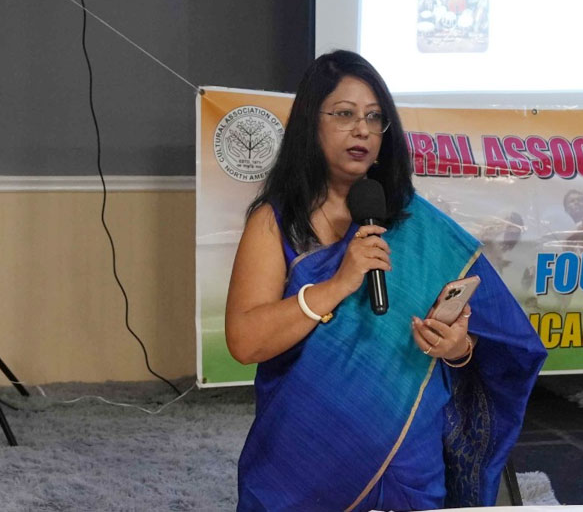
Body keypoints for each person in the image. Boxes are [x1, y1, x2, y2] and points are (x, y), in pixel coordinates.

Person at [225, 50, 546, 511]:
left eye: (374, 118)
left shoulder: (420, 225)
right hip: (304, 457)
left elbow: (496, 341)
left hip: (408, 460)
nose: (362, 129)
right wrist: (338, 284)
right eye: (344, 114)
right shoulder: (276, 223)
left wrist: (457, 347)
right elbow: (244, 341)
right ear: (310, 123)